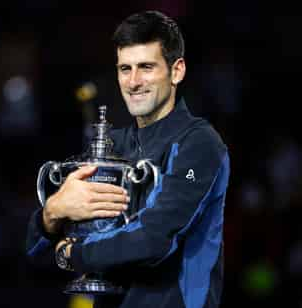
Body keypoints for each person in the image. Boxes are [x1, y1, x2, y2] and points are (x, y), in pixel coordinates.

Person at [26, 10, 230, 308]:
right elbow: (33, 250)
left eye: (146, 67)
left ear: (177, 71)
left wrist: (73, 254)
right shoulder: (112, 146)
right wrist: (54, 212)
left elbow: (154, 240)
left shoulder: (199, 144)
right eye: (125, 69)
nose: (133, 82)